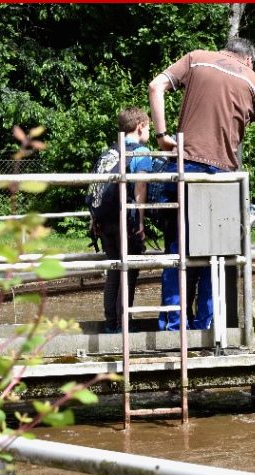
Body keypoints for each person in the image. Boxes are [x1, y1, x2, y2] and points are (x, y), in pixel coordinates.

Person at [149, 36, 255, 331]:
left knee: (177, 250)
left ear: (226, 51)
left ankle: (171, 329)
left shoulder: (196, 58)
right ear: (249, 60)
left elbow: (155, 86)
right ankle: (206, 329)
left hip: (184, 166)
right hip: (222, 175)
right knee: (214, 254)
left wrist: (162, 135)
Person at [97, 107, 153, 333]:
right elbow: (140, 187)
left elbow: (98, 187)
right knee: (128, 273)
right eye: (148, 127)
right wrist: (140, 221)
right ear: (140, 127)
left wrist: (95, 216)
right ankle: (124, 325)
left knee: (113, 272)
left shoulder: (109, 152)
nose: (149, 132)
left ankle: (111, 325)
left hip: (104, 221)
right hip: (125, 220)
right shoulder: (140, 152)